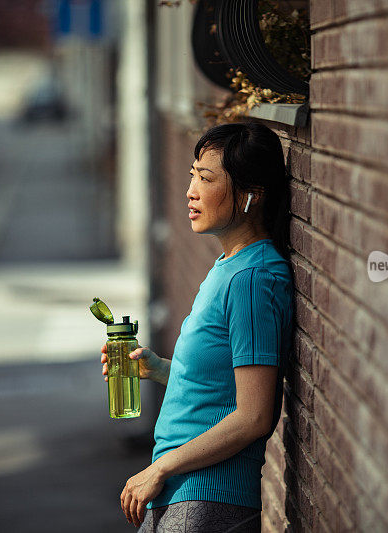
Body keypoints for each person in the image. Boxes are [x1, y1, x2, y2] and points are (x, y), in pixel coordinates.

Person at [100, 121, 294, 532]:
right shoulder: (230, 267)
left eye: (206, 179)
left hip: (207, 500)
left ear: (250, 196)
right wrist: (158, 369)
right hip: (180, 493)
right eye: (192, 175)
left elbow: (254, 415)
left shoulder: (253, 278)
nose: (191, 190)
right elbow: (221, 389)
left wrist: (160, 469)